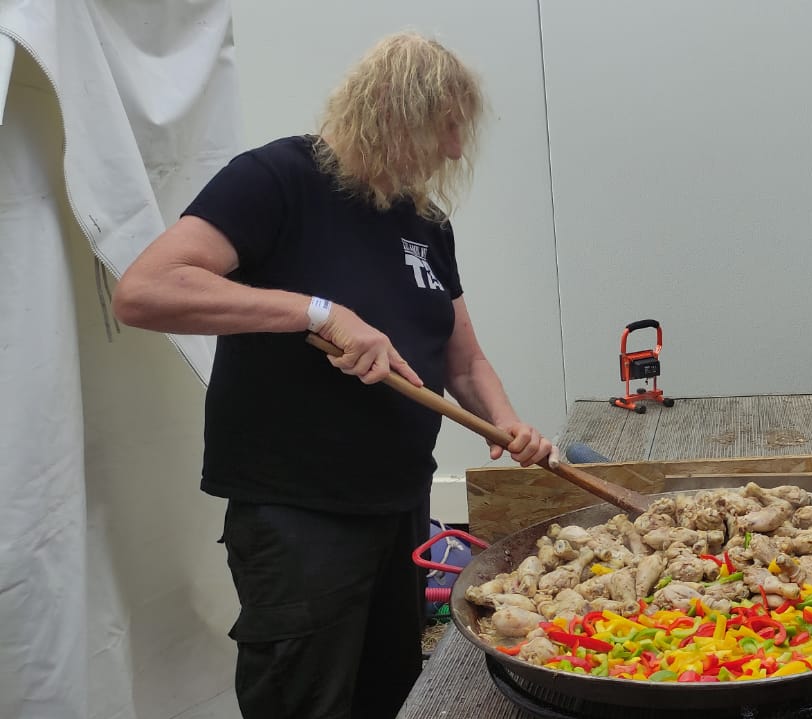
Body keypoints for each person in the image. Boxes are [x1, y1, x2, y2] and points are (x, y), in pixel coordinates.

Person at [112, 32, 551, 719]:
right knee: (305, 699)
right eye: (446, 129)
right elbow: (144, 290)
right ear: (396, 112)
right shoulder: (278, 179)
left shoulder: (426, 223)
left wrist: (508, 420)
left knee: (394, 692)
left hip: (396, 508)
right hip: (301, 519)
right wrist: (317, 310)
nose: (457, 151)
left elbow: (464, 358)